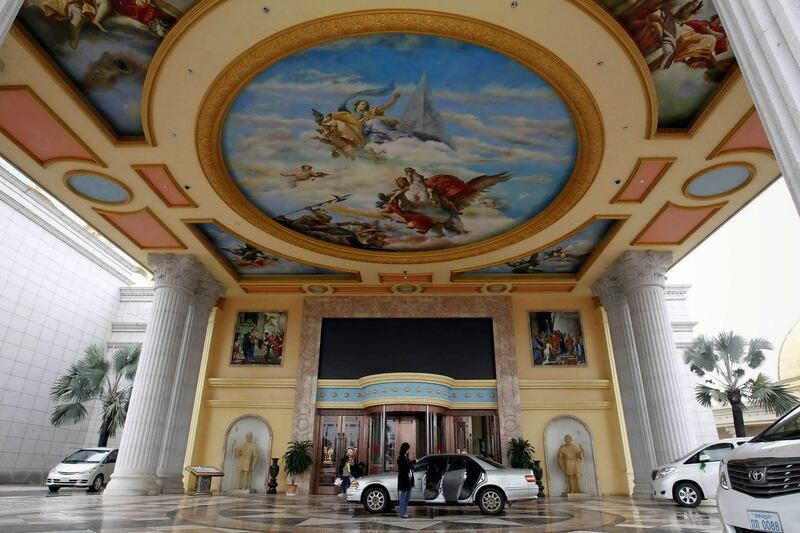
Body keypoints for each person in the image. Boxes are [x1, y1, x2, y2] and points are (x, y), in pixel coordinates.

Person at [396, 442, 416, 518]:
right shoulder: (401, 458)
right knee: (403, 497)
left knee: (407, 497)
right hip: (404, 479)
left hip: (408, 479)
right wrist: (413, 462)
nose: (408, 450)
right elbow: (405, 467)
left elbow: (408, 467)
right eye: (408, 449)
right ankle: (402, 513)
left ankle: (404, 512)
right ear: (405, 449)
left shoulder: (406, 457)